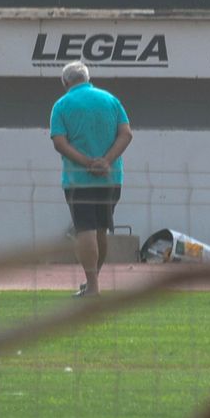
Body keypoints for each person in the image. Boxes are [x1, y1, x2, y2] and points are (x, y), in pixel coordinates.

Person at [50, 61, 132, 296]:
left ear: (66, 82)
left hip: (78, 179)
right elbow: (126, 133)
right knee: (101, 230)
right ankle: (93, 282)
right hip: (111, 178)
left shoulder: (61, 105)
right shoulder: (110, 100)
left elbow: (59, 142)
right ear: (88, 77)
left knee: (84, 230)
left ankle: (93, 286)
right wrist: (106, 161)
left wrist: (86, 163)